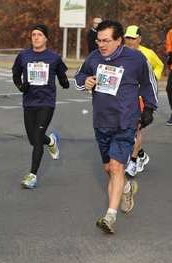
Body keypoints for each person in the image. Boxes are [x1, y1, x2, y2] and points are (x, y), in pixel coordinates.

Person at [74, 20, 158, 233]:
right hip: (102, 120)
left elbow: (150, 83)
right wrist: (86, 82)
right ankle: (127, 188)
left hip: (126, 121)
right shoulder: (94, 57)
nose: (101, 45)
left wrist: (149, 108)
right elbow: (79, 76)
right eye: (99, 40)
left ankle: (110, 216)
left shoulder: (135, 58)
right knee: (108, 169)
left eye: (106, 41)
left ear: (119, 40)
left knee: (116, 167)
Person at [12, 25, 70, 189]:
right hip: (29, 102)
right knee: (33, 140)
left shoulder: (54, 57)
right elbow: (15, 74)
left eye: (39, 35)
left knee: (37, 138)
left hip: (46, 102)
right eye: (33, 34)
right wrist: (20, 86)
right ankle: (51, 140)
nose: (36, 37)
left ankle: (32, 176)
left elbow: (62, 75)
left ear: (46, 38)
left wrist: (64, 83)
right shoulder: (23, 56)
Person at [124, 25, 163, 176]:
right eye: (128, 38)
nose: (130, 41)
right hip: (125, 96)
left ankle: (133, 161)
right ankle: (141, 155)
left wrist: (152, 78)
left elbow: (159, 65)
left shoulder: (147, 53)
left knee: (135, 128)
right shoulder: (121, 51)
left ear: (139, 38)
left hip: (140, 96)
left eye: (133, 38)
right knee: (125, 129)